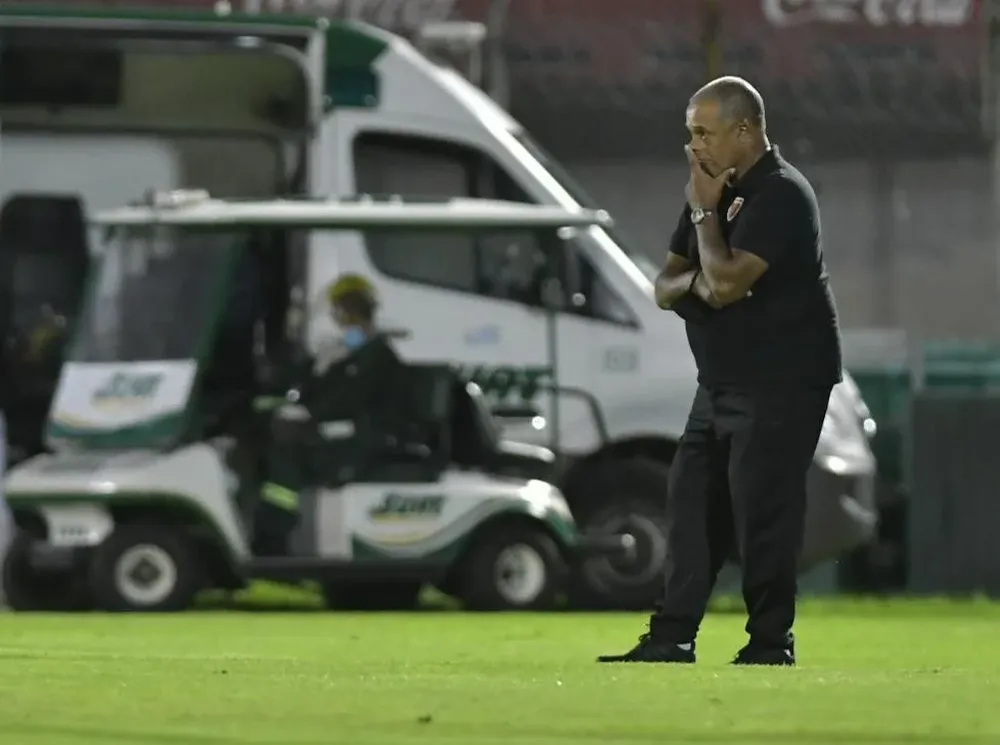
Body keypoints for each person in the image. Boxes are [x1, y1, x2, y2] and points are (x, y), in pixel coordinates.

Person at [598, 76, 841, 666]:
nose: (693, 146)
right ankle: (671, 636)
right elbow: (664, 286)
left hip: (783, 379)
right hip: (722, 380)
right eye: (689, 133)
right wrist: (704, 268)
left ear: (746, 129)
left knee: (762, 510)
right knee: (690, 504)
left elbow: (727, 283)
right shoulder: (709, 191)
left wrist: (706, 222)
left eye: (703, 132)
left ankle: (768, 643)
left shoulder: (782, 194)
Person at [257, 274, 405, 552]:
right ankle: (272, 527)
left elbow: (348, 402)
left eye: (343, 312)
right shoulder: (347, 354)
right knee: (281, 437)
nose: (339, 319)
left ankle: (274, 536)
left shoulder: (378, 357)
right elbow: (316, 391)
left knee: (289, 450)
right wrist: (319, 371)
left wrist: (311, 417)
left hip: (367, 435)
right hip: (343, 428)